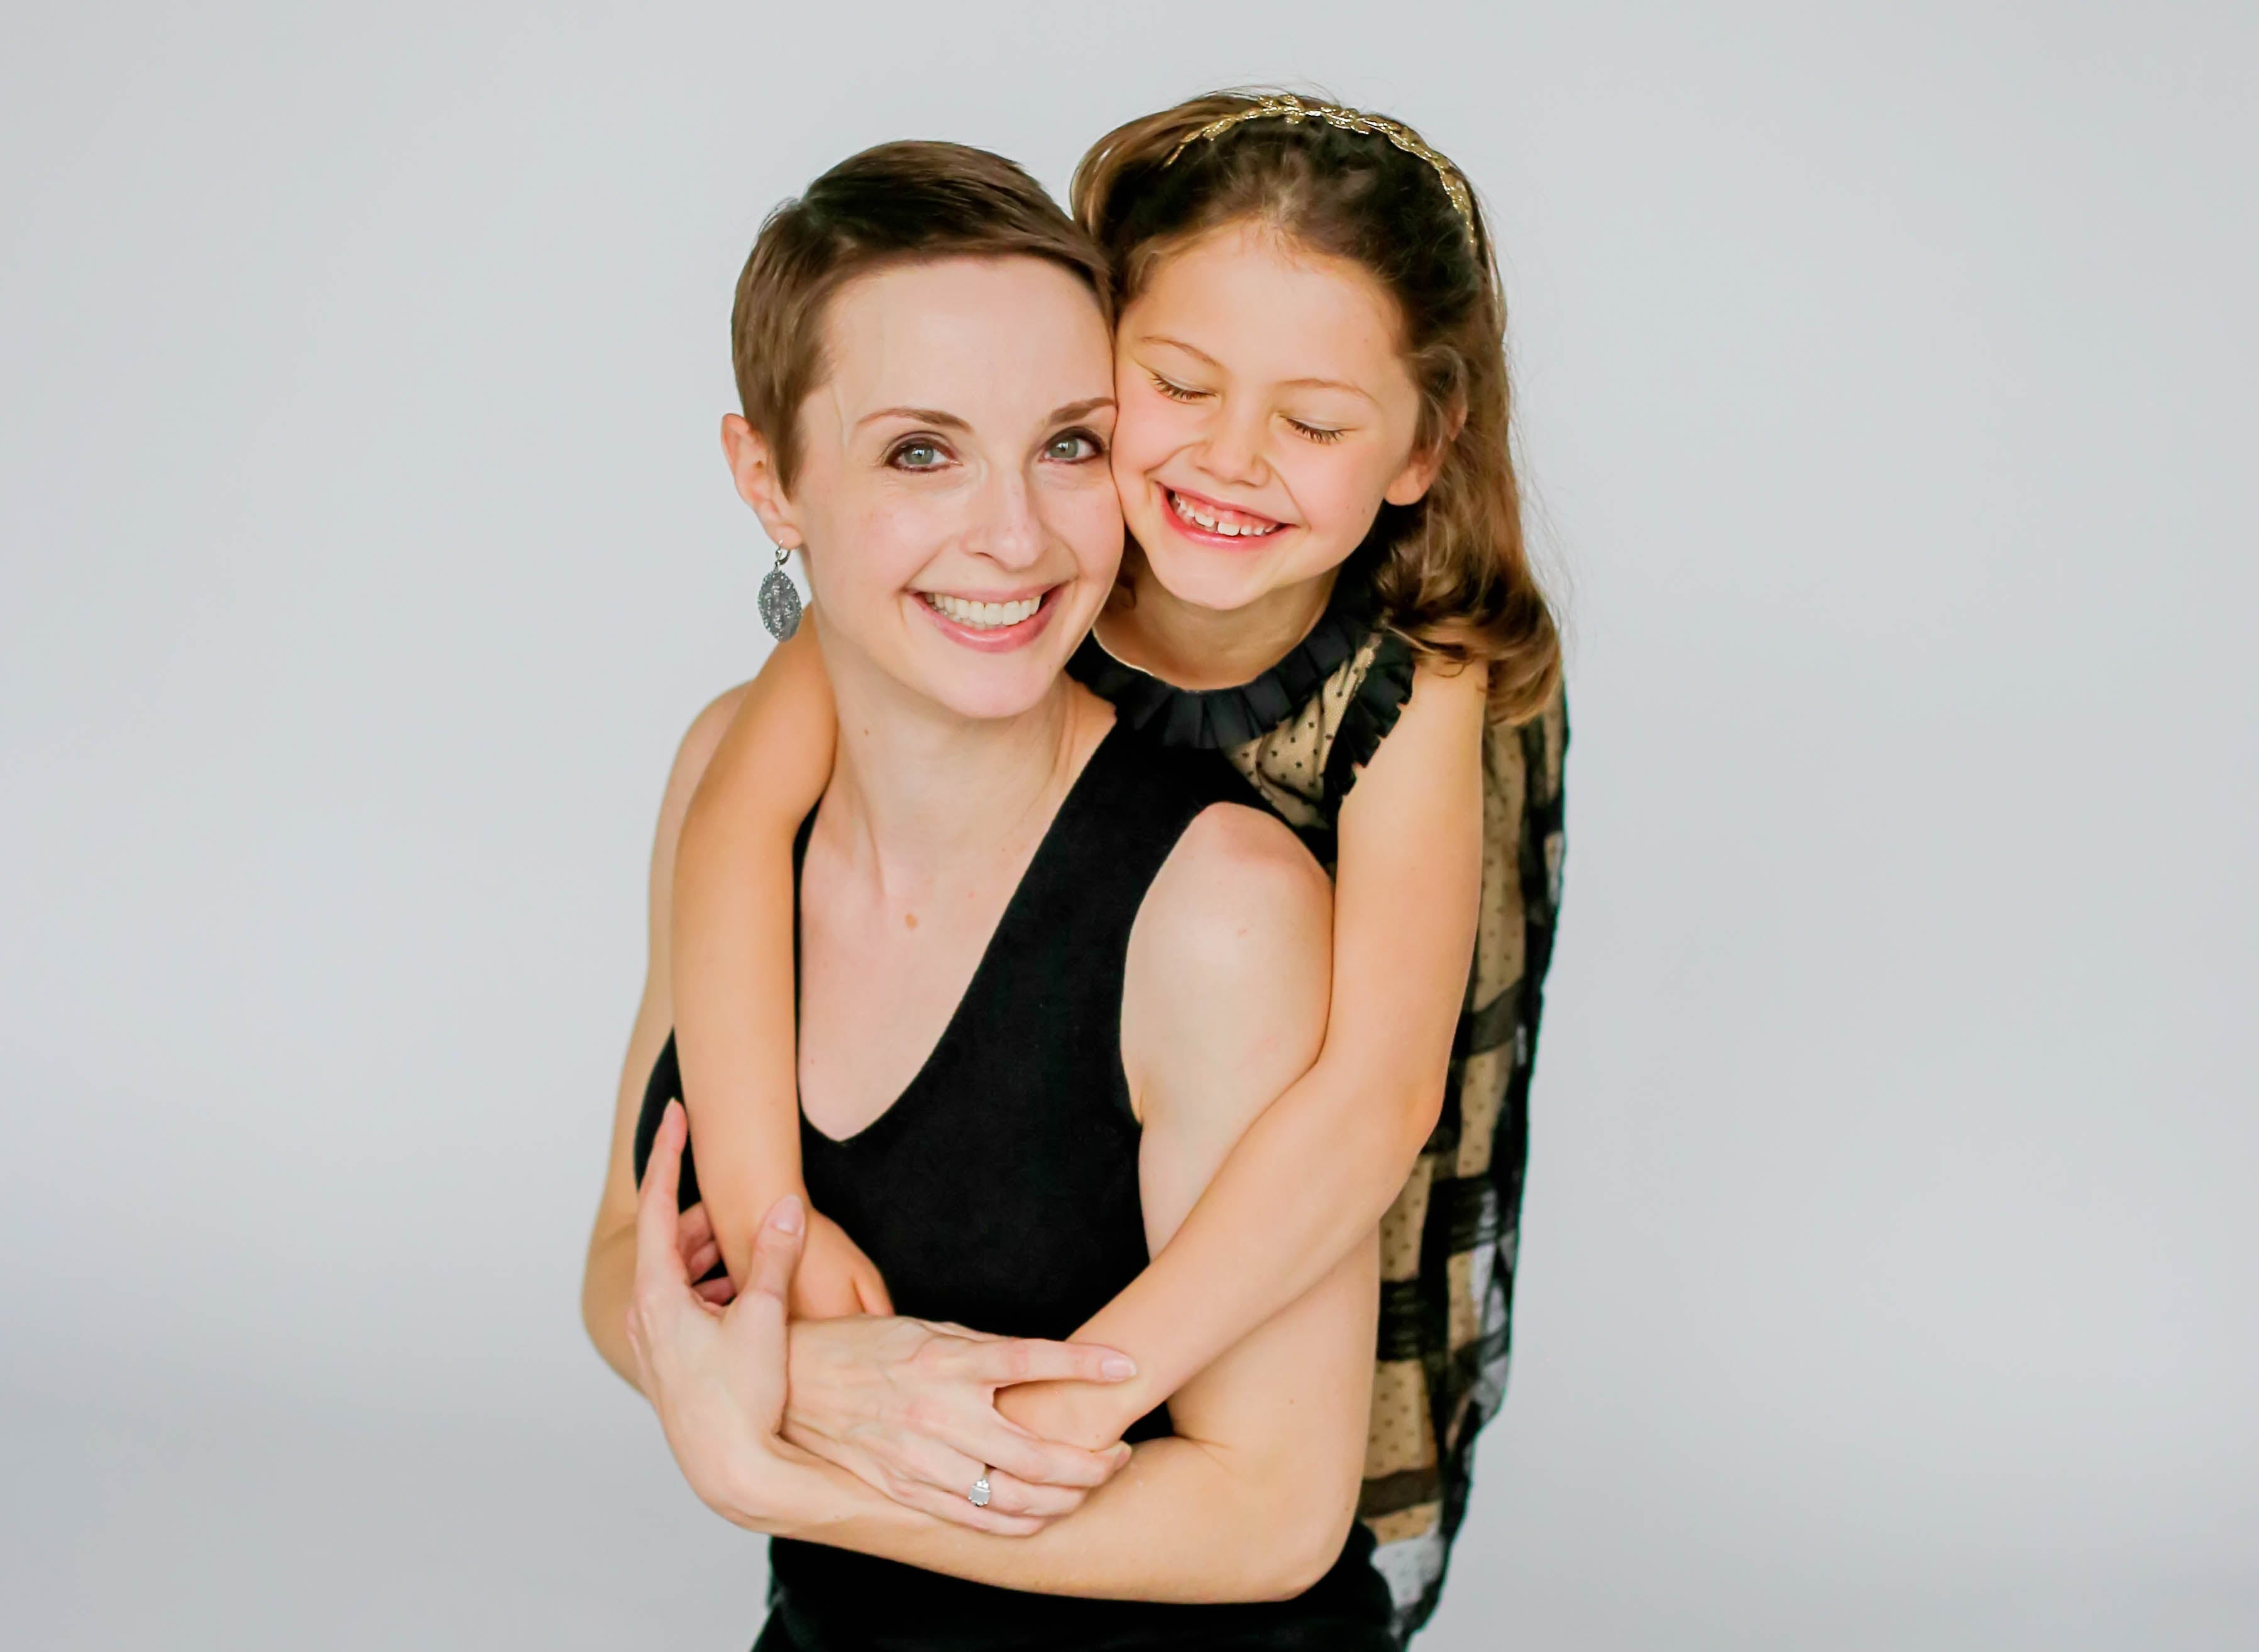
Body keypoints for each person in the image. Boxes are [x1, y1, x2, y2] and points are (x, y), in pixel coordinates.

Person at [666, 89, 1568, 1634]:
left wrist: (1095, 1391)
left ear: (1421, 449)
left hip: (1305, 1067)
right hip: (1096, 1039)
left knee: (1317, 1335)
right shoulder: (1028, 552)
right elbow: (731, 830)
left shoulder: (1415, 685)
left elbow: (1377, 1097)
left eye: (1316, 420)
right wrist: (786, 1268)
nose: (1227, 463)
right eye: (1174, 388)